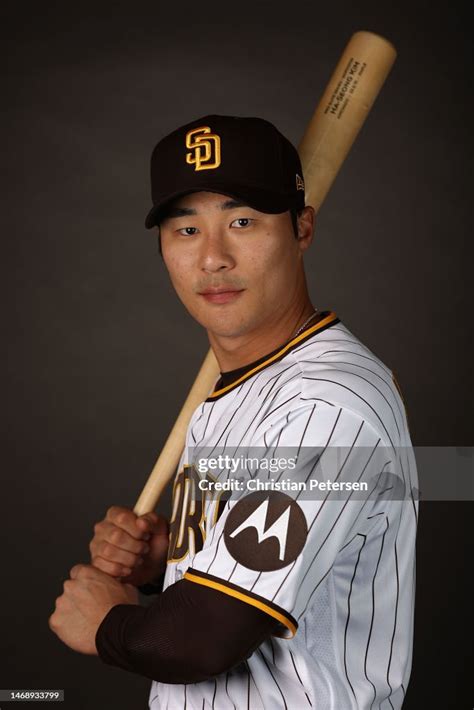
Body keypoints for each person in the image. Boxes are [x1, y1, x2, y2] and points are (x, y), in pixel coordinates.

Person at [49, 115, 418, 709]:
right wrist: (167, 562)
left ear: (302, 227)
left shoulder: (323, 405)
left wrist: (106, 625)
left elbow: (199, 640)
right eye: (186, 229)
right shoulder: (237, 390)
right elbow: (272, 572)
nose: (213, 258)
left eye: (242, 221)